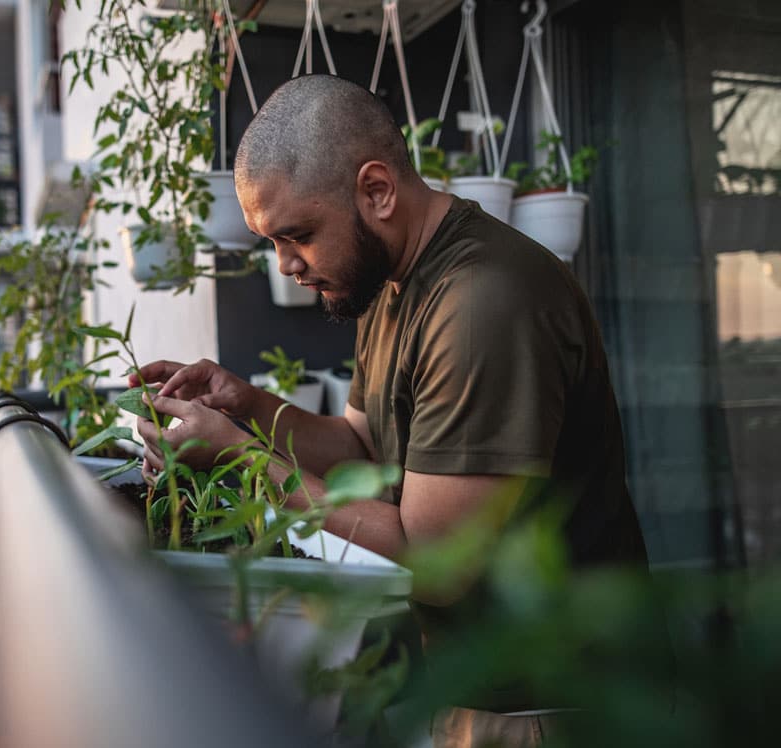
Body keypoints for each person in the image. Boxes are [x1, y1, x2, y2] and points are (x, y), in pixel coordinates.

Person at [130, 74, 649, 746]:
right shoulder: (390, 286)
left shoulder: (483, 303)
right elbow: (360, 449)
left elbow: (437, 561)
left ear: (376, 190)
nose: (286, 264)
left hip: (557, 708)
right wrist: (250, 408)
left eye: (299, 234)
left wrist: (243, 460)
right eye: (272, 242)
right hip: (484, 695)